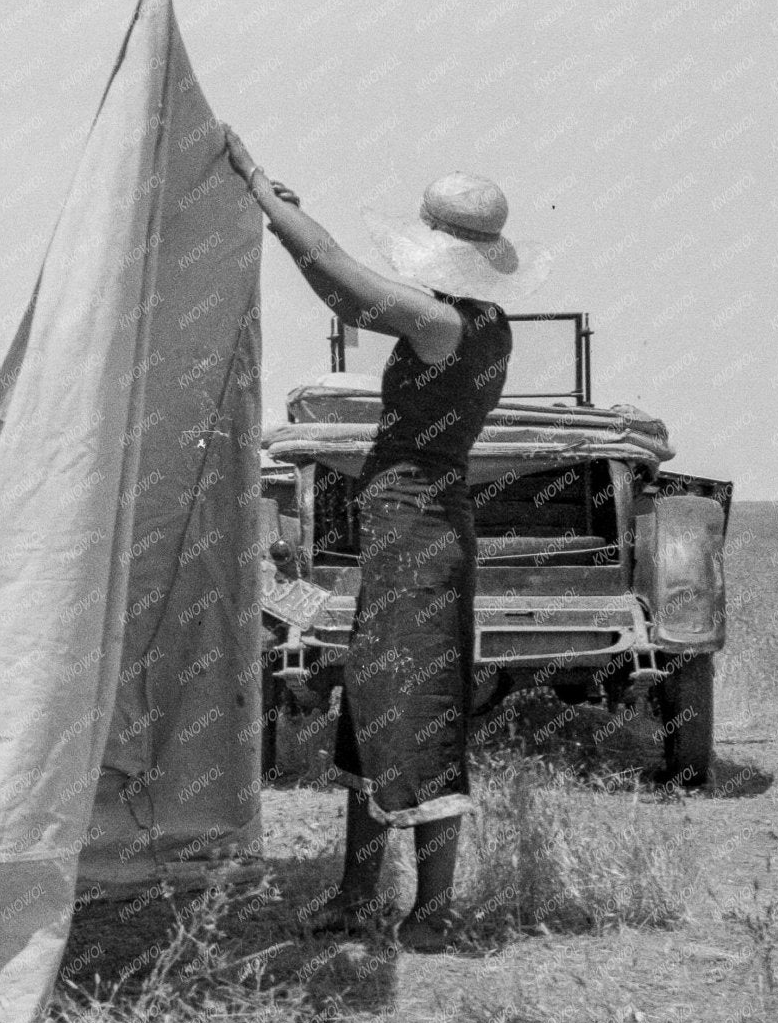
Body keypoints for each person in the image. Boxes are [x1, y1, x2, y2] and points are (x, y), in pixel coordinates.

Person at [221, 127, 547, 950]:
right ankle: (356, 896)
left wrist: (263, 191)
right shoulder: (485, 321)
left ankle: (431, 910)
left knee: (423, 716)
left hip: (418, 539)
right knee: (374, 708)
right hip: (415, 532)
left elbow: (338, 281)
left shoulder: (440, 325)